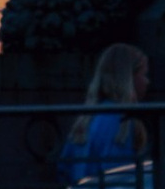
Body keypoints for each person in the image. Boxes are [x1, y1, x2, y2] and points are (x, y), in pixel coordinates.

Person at [59, 43, 150, 181]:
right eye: (144, 74)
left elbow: (64, 170)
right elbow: (118, 178)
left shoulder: (87, 120)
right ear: (129, 78)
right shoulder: (120, 122)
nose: (147, 81)